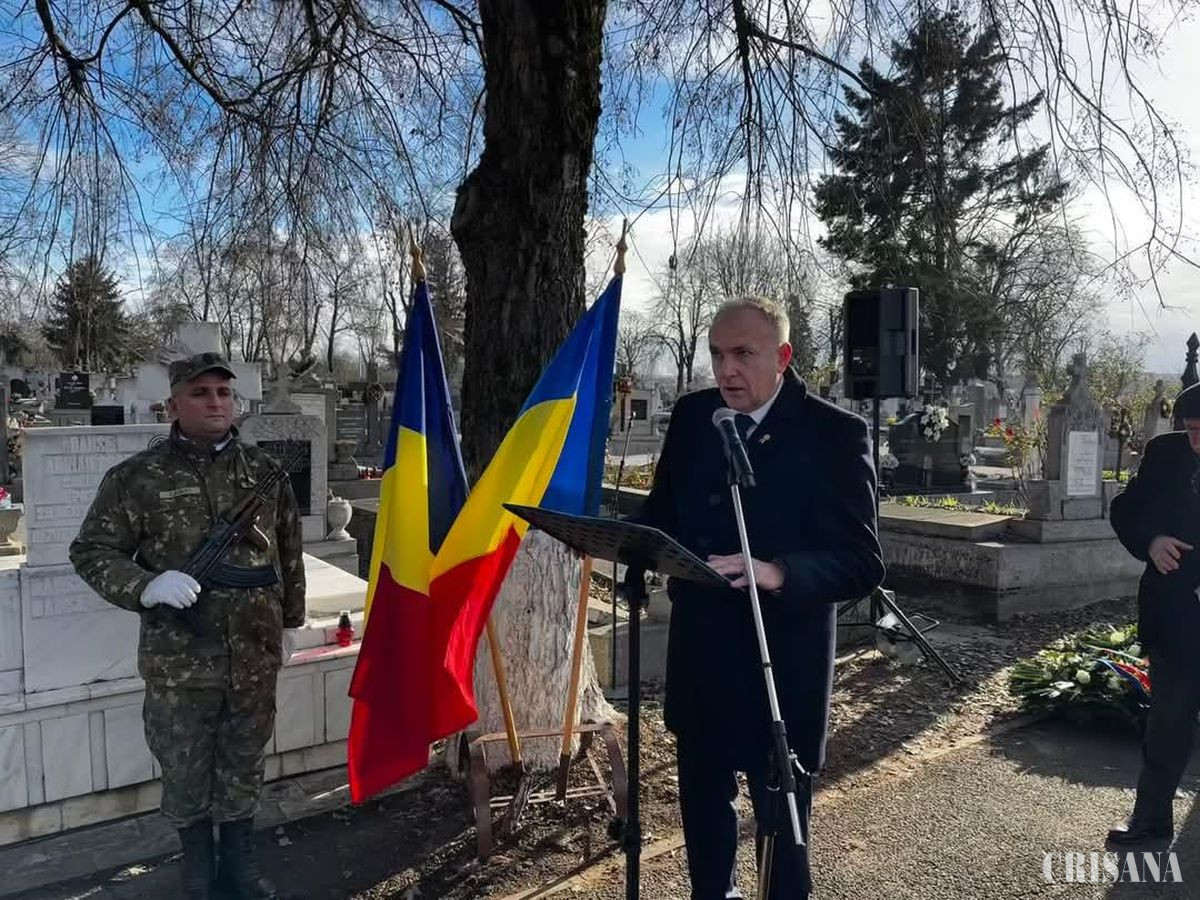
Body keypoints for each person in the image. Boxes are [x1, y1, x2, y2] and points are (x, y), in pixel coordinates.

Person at [637, 297, 886, 899]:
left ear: (782, 357)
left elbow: (863, 562)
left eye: (743, 354)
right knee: (704, 815)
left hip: (782, 667)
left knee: (782, 834)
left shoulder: (834, 433)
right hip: (702, 657)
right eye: (717, 354)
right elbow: (661, 515)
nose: (727, 370)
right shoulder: (695, 417)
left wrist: (779, 571)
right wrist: (613, 542)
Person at [70, 353, 306, 900]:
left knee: (245, 762)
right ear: (173, 404)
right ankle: (198, 871)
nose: (215, 403)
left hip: (253, 655)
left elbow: (288, 551)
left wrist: (291, 622)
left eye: (224, 393)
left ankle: (239, 866)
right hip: (180, 659)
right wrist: (145, 585)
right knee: (184, 769)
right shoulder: (137, 477)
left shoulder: (262, 471)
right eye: (200, 393)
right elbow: (92, 551)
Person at [1108, 380, 1200, 849]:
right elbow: (1126, 509)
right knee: (1169, 718)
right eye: (1191, 430)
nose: (1196, 441)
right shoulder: (1165, 453)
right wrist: (1151, 541)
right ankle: (1150, 819)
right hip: (1176, 611)